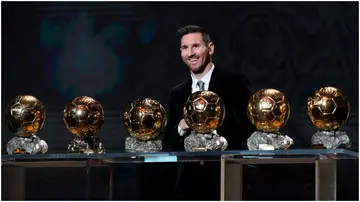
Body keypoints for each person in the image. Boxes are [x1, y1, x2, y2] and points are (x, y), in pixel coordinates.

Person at [164, 25, 255, 200]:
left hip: (227, 179)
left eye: (196, 46)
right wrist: (182, 126)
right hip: (188, 186)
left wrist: (214, 130)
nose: (190, 53)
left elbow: (248, 129)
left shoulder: (234, 83)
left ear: (210, 48)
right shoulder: (177, 93)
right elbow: (169, 139)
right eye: (185, 48)